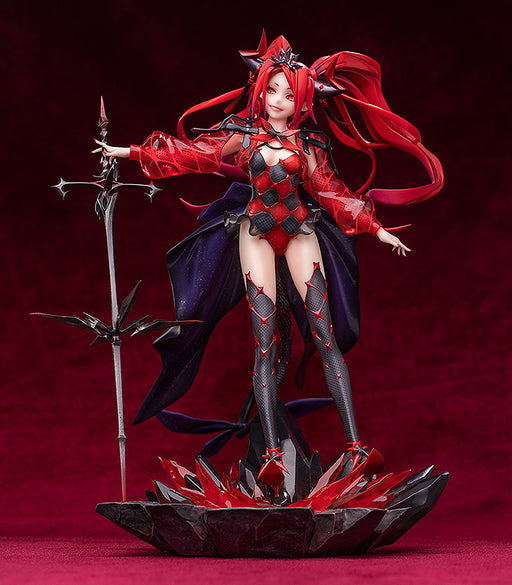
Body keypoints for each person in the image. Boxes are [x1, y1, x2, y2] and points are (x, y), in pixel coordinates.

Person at [94, 33, 443, 502]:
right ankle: (273, 456)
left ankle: (357, 448)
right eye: (273, 89)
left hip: (300, 231)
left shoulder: (309, 144)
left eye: (289, 95)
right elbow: (192, 155)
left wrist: (377, 229)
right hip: (255, 233)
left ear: (303, 101)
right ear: (260, 88)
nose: (279, 101)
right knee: (265, 344)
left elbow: (332, 193)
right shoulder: (243, 137)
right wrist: (127, 152)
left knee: (325, 335)